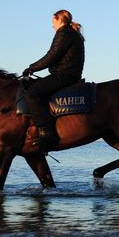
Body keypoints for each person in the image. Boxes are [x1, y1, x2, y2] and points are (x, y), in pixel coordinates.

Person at [22, 10, 85, 149]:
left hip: (64, 75)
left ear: (60, 20)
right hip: (68, 73)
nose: (52, 25)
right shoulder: (70, 33)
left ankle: (46, 133)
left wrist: (32, 68)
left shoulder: (64, 33)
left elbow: (52, 56)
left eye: (53, 22)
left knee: (32, 93)